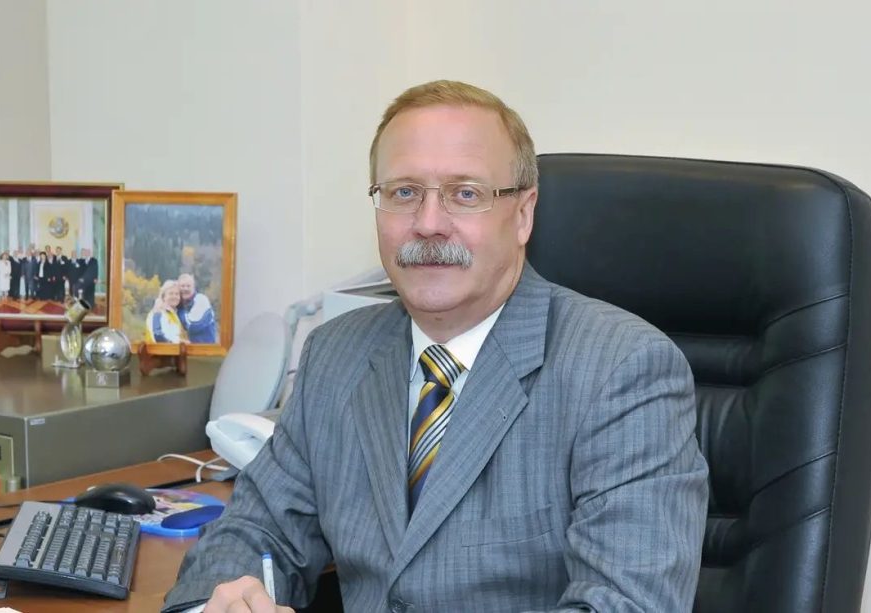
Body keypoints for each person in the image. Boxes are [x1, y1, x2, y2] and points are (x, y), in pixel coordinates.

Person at [164, 81, 708, 613]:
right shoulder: (336, 354)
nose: (427, 224)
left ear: (523, 214)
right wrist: (218, 605)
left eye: (465, 194)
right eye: (403, 193)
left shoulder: (622, 369)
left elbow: (625, 602)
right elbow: (256, 532)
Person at [176, 273, 217, 343]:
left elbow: (193, 325)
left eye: (188, 286)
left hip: (204, 348)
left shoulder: (201, 299)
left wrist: (179, 311)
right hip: (186, 348)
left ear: (194, 288)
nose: (185, 289)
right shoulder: (178, 304)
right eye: (182, 286)